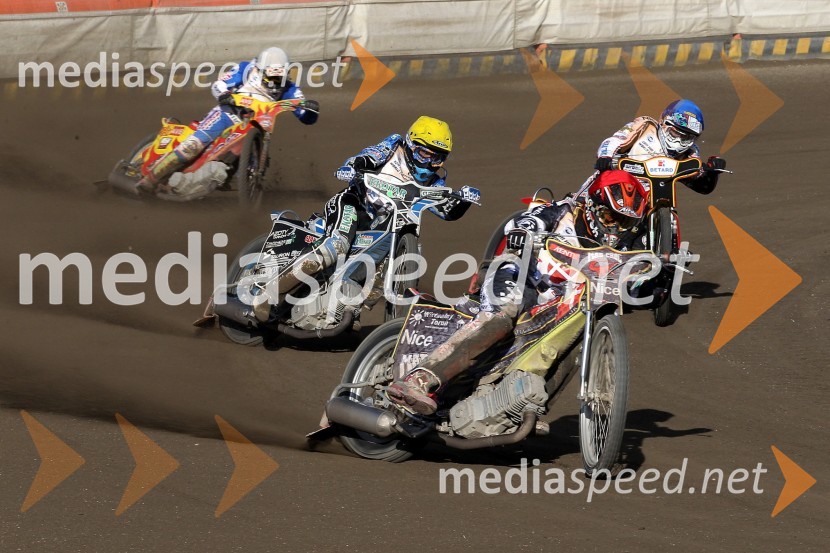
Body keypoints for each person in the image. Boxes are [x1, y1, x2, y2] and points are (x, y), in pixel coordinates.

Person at [387, 169, 648, 415]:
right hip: (521, 276)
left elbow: (644, 267)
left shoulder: (625, 242)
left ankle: (522, 410)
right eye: (610, 217)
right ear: (591, 207)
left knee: (576, 340)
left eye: (625, 222)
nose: (616, 228)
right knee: (504, 314)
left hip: (558, 300)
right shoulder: (561, 212)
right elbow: (528, 220)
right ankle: (420, 379)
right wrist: (524, 231)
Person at [256, 116, 481, 318]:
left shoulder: (434, 182)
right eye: (425, 153)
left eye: (437, 157)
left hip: (383, 227)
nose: (429, 163)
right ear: (411, 145)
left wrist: (465, 200)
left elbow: (447, 212)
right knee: (337, 245)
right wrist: (353, 167)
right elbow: (368, 156)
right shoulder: (394, 147)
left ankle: (349, 305)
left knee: (411, 253)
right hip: (354, 205)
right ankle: (268, 293)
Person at [137, 47, 319, 195]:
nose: (275, 81)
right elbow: (219, 84)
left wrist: (311, 110)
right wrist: (224, 95)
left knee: (250, 155)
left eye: (279, 77)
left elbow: (304, 115)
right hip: (227, 114)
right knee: (193, 145)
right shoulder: (246, 69)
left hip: (254, 126)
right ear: (261, 70)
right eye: (271, 76)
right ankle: (150, 180)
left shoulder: (290, 88)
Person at [584, 99, 726, 197]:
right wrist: (605, 156)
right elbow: (616, 140)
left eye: (686, 137)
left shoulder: (690, 152)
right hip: (615, 184)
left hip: (652, 199)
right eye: (676, 133)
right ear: (663, 122)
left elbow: (701, 186)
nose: (678, 140)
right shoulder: (645, 126)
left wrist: (712, 173)